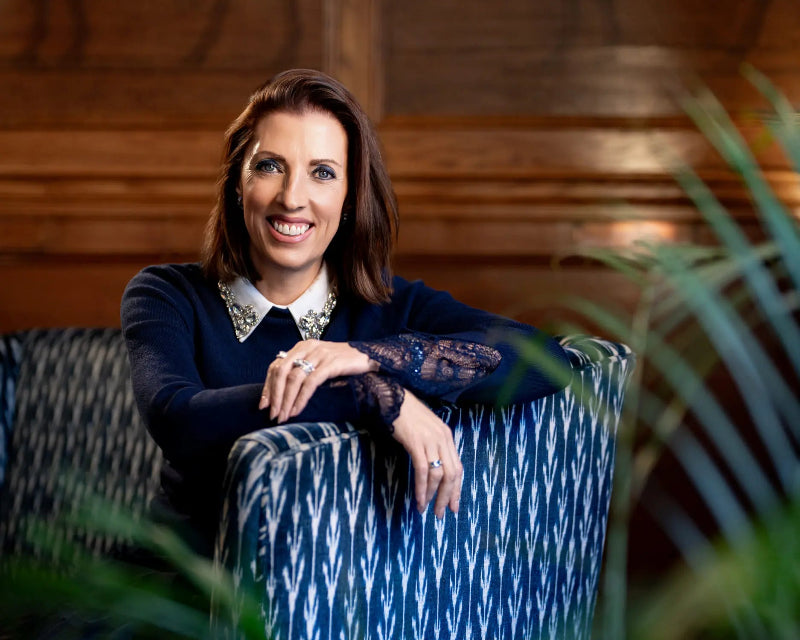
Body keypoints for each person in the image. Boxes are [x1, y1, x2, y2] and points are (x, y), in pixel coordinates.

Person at [121, 69, 571, 557]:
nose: (292, 198)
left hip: (333, 605)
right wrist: (368, 394)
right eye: (270, 165)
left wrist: (367, 356)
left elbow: (546, 359)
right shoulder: (166, 293)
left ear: (350, 197)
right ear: (237, 183)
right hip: (169, 594)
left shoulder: (391, 306)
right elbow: (178, 421)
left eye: (323, 172)